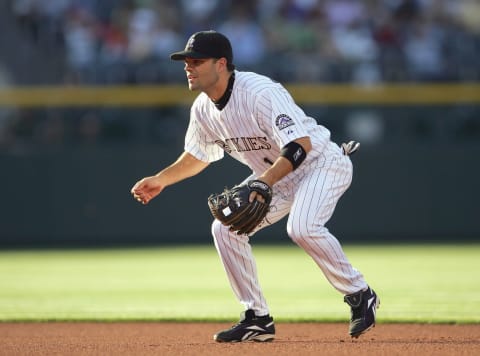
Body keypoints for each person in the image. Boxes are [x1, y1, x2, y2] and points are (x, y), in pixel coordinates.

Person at [131, 30, 379, 342]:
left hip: (321, 163)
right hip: (275, 176)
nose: (188, 67)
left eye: (196, 61)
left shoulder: (259, 92)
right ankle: (257, 318)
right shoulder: (203, 109)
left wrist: (263, 183)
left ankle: (359, 293)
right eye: (186, 61)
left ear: (221, 64)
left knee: (302, 228)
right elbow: (197, 155)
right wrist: (161, 179)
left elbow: (299, 145)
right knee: (224, 229)